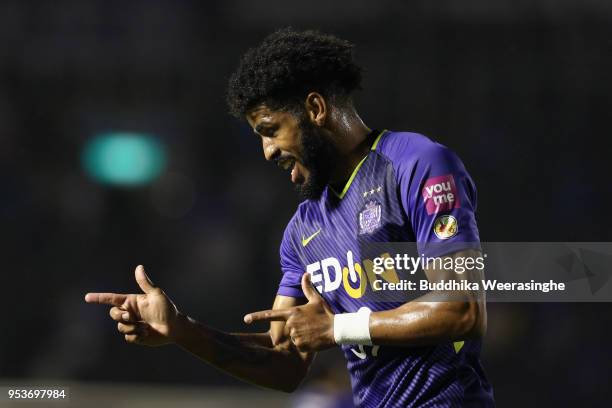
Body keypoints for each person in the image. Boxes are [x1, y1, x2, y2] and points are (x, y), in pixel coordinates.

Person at [85, 28, 494, 407]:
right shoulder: (303, 230)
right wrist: (183, 331)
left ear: (315, 108)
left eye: (271, 130)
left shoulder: (416, 164)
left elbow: (462, 310)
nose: (267, 151)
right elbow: (284, 363)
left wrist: (339, 328)